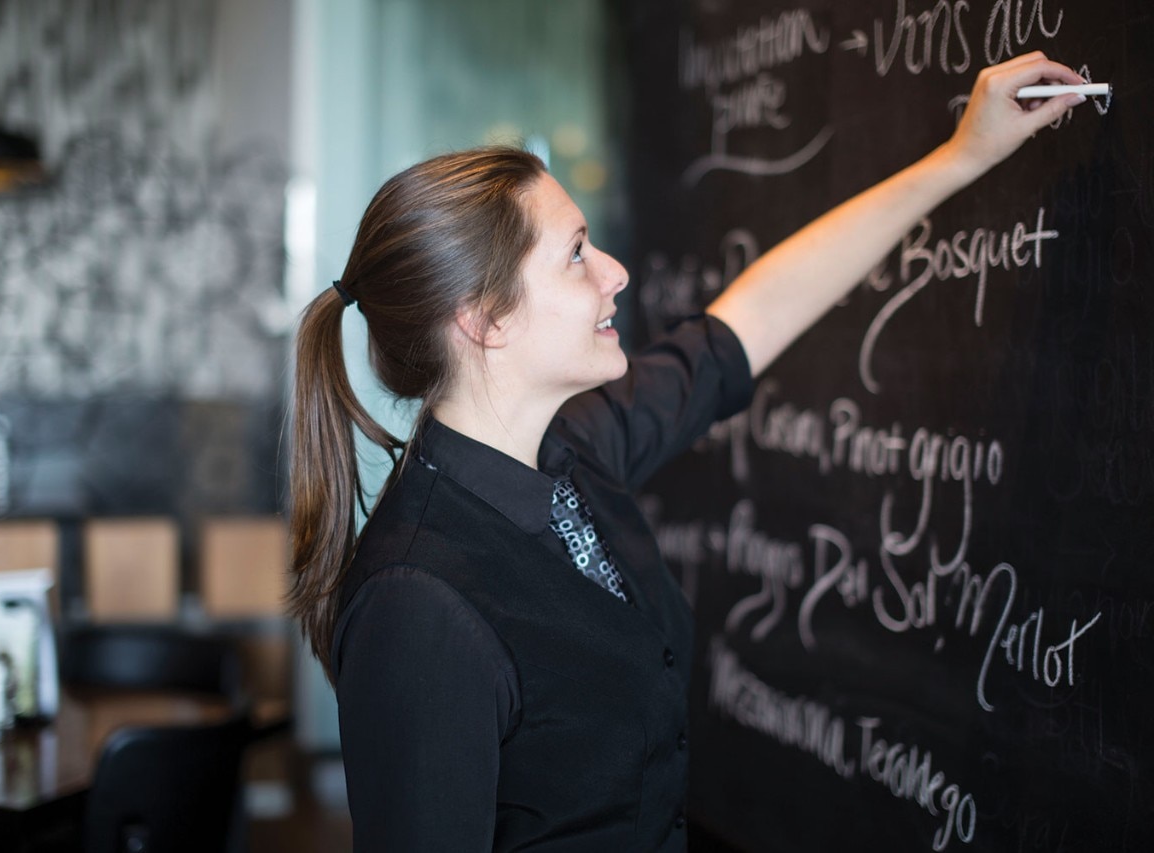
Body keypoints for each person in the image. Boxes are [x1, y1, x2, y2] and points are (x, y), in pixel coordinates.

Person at [288, 52, 1085, 851]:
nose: (616, 273)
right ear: (484, 321)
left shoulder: (571, 448)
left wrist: (964, 155)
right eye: (575, 254)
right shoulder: (418, 603)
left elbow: (755, 316)